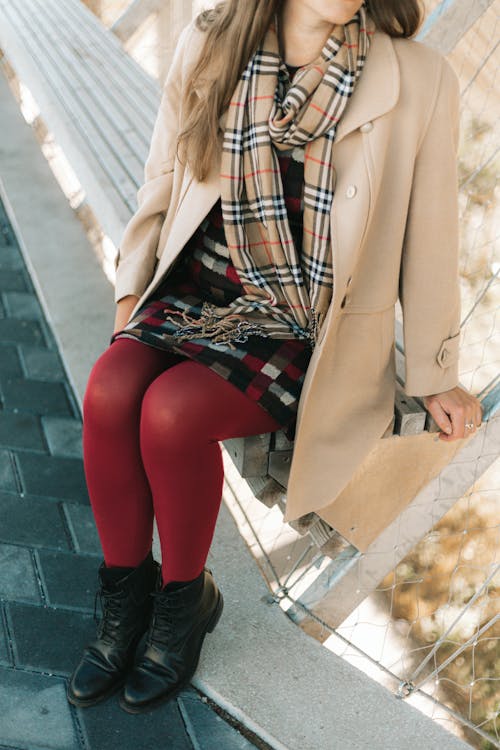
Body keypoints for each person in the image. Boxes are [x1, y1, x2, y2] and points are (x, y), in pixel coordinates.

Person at [66, 0, 483, 715]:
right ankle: (124, 596)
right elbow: (162, 177)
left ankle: (183, 601)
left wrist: (436, 373)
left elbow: (432, 230)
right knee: (109, 389)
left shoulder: (419, 78)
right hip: (200, 282)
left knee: (170, 414)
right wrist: (130, 296)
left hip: (305, 320)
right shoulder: (216, 39)